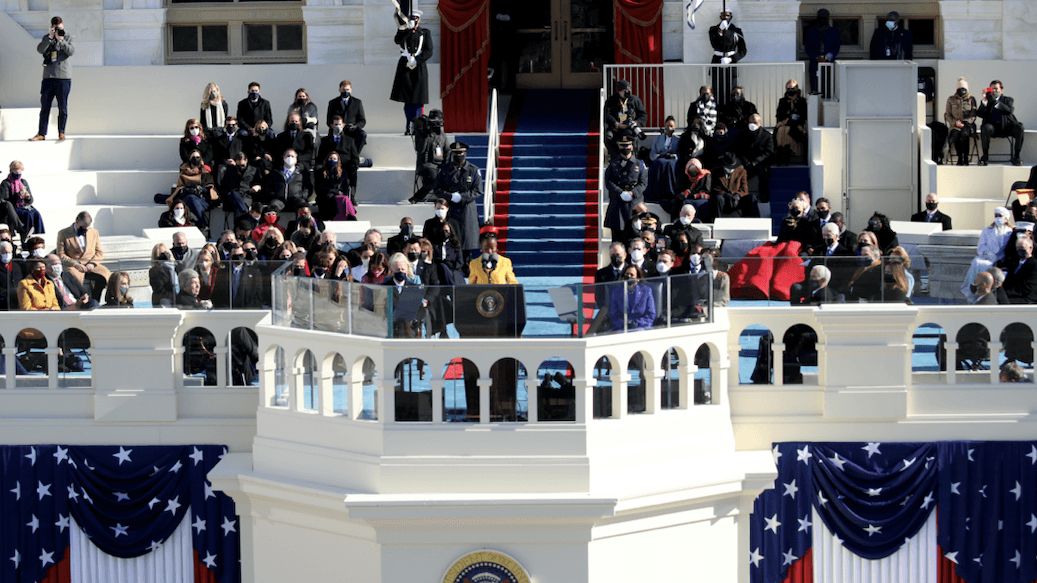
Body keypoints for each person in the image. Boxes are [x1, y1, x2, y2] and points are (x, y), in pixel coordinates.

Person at [434, 142, 483, 257]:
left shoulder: (473, 170)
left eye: (460, 153)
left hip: (467, 210)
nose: (458, 155)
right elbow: (437, 189)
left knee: (467, 243)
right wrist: (450, 196)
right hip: (450, 209)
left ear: (465, 153)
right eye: (455, 153)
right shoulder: (445, 170)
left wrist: (462, 197)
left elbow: (477, 191)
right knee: (451, 240)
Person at [391, 8, 434, 135]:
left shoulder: (424, 33)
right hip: (405, 67)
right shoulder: (404, 31)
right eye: (411, 19)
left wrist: (417, 60)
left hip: (418, 68)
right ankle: (409, 126)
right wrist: (404, 29)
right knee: (407, 99)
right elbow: (397, 40)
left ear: (419, 20)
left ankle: (417, 126)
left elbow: (429, 51)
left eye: (415, 19)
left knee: (418, 99)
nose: (412, 21)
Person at [31, 16, 74, 142]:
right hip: (48, 77)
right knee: (45, 107)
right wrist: (50, 37)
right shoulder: (47, 38)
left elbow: (71, 51)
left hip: (63, 77)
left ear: (63, 25)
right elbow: (40, 49)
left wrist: (61, 40)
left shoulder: (68, 37)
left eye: (60, 27)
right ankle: (41, 133)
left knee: (63, 107)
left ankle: (61, 132)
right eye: (56, 28)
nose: (58, 30)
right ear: (52, 27)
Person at [55, 211, 110, 301]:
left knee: (104, 275)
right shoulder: (63, 233)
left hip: (91, 265)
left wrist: (92, 264)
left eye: (87, 227)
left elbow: (99, 252)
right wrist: (75, 264)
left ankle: (95, 300)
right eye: (83, 227)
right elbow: (61, 254)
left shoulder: (94, 232)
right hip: (74, 266)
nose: (85, 230)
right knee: (72, 279)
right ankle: (81, 301)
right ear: (77, 222)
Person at [604, 137, 648, 243]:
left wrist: (632, 193)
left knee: (634, 237)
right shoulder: (613, 164)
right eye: (622, 145)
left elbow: (643, 183)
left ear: (632, 147)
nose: (625, 148)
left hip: (634, 203)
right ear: (619, 147)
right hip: (617, 203)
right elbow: (608, 181)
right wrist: (620, 192)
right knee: (617, 238)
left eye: (627, 145)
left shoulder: (639, 164)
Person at [976, 80, 1024, 166]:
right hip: (992, 128)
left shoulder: (1008, 100)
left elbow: (1009, 111)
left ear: (1001, 90)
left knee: (1019, 127)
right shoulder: (987, 101)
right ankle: (985, 156)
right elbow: (980, 114)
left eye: (996, 89)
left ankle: (1016, 156)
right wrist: (985, 101)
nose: (994, 91)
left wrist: (995, 103)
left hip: (1006, 127)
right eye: (992, 89)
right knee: (985, 127)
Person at [170, 149, 218, 232]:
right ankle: (202, 224)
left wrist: (200, 189)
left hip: (202, 198)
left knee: (193, 199)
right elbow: (179, 186)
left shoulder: (205, 171)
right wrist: (188, 189)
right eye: (193, 157)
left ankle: (200, 224)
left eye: (197, 157)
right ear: (189, 159)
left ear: (201, 158)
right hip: (187, 197)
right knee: (191, 198)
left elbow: (210, 186)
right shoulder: (184, 171)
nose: (195, 159)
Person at [708, 11, 747, 106]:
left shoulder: (736, 31)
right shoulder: (713, 30)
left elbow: (743, 51)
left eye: (728, 15)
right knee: (717, 89)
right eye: (723, 15)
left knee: (732, 89)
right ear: (720, 17)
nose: (725, 17)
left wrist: (731, 59)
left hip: (730, 62)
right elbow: (714, 44)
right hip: (717, 60)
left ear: (731, 17)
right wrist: (720, 30)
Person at [0, 160, 44, 242]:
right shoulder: (6, 183)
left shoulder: (23, 182)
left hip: (23, 206)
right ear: (11, 170)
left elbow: (31, 200)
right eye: (15, 170)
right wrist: (18, 195)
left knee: (35, 212)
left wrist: (27, 197)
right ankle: (23, 232)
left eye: (20, 170)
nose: (18, 172)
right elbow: (5, 200)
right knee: (26, 214)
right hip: (13, 207)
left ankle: (35, 236)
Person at [411, 109, 448, 203]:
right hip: (426, 163)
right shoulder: (421, 131)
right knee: (434, 180)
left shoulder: (442, 134)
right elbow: (420, 149)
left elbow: (447, 150)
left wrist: (447, 164)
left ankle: (445, 198)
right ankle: (416, 197)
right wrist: (424, 135)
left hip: (440, 164)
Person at [737, 113, 775, 203]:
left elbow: (769, 152)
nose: (752, 124)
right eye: (750, 122)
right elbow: (738, 149)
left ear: (760, 124)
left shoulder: (767, 136)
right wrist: (744, 161)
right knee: (738, 172)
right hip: (745, 162)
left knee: (763, 172)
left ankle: (764, 197)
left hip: (760, 163)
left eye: (755, 122)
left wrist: (756, 161)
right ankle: (739, 196)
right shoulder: (742, 134)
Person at [211, 244, 263, 309]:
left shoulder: (255, 274)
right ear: (230, 257)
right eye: (235, 256)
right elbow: (217, 295)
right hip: (226, 311)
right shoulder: (222, 273)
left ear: (244, 255)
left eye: (241, 255)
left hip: (247, 311)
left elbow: (258, 297)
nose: (238, 257)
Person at [603, 80, 648, 155]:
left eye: (629, 89)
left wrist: (636, 122)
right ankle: (615, 157)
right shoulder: (611, 100)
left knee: (629, 135)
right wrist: (616, 124)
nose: (628, 92)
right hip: (616, 127)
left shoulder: (635, 100)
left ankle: (632, 157)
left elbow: (643, 115)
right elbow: (607, 114)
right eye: (625, 90)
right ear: (619, 91)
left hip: (629, 127)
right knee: (608, 136)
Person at [609, 265, 656, 332]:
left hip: (642, 327)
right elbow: (614, 315)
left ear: (637, 278)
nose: (629, 276)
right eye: (627, 274)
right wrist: (624, 324)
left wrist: (637, 323)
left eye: (632, 275)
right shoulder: (616, 292)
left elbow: (651, 314)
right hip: (622, 328)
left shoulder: (646, 291)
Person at [803, 9, 840, 94]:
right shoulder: (810, 31)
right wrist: (816, 57)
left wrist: (827, 57)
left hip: (829, 64)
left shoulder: (834, 32)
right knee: (814, 89)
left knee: (828, 89)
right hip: (814, 64)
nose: (823, 20)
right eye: (821, 18)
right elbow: (807, 47)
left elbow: (836, 47)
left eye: (825, 18)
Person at [326, 80, 368, 154]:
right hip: (338, 129)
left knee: (362, 134)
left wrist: (355, 126)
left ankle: (355, 155)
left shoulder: (357, 102)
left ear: (351, 90)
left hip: (352, 130)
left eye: (347, 89)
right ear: (340, 90)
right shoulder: (333, 103)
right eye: (343, 90)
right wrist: (338, 126)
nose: (345, 91)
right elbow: (329, 120)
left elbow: (362, 120)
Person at [944, 77, 978, 166]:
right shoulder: (951, 99)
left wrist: (967, 122)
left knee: (964, 134)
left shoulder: (971, 99)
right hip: (955, 125)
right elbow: (948, 114)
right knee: (956, 134)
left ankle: (965, 158)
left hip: (968, 125)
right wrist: (955, 122)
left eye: (963, 88)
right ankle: (959, 157)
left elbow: (973, 114)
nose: (961, 90)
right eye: (959, 88)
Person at [646, 116, 680, 203]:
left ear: (675, 127)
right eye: (668, 125)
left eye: (671, 126)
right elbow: (653, 152)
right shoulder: (658, 138)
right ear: (665, 126)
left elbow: (679, 153)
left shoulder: (678, 139)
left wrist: (673, 156)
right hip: (660, 158)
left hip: (672, 160)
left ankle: (670, 191)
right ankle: (657, 192)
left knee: (670, 165)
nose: (669, 128)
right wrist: (659, 156)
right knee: (659, 163)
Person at [774, 80, 807, 165]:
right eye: (788, 88)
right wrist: (786, 121)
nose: (790, 90)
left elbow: (803, 116)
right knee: (782, 130)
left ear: (797, 88)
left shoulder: (802, 101)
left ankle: (785, 153)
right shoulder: (782, 101)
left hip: (796, 126)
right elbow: (779, 116)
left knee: (785, 130)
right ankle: (782, 152)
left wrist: (790, 121)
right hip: (784, 124)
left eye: (793, 88)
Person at [314, 150, 354, 221]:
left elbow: (346, 188)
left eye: (334, 159)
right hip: (325, 198)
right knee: (344, 199)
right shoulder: (321, 172)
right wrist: (331, 191)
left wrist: (338, 192)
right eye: (330, 158)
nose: (332, 160)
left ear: (338, 161)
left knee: (344, 199)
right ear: (327, 159)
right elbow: (318, 187)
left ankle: (349, 217)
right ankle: (352, 217)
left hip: (338, 196)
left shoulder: (343, 173)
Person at [711, 151, 749, 218]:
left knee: (751, 198)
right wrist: (726, 194)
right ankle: (718, 220)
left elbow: (745, 189)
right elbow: (715, 188)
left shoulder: (742, 171)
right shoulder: (716, 171)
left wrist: (737, 195)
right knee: (718, 198)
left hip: (737, 198)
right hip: (723, 198)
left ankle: (752, 220)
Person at [1002, 237, 1037, 304]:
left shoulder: (1034, 266)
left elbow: (1027, 288)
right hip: (1012, 295)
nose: (1020, 251)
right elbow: (1008, 282)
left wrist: (1005, 294)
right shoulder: (1014, 264)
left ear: (1030, 248)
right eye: (1018, 248)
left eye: (1022, 248)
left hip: (1026, 298)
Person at [149, 243, 178, 307]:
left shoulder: (175, 268)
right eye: (160, 254)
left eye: (165, 253)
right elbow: (159, 289)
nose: (164, 256)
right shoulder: (154, 271)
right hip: (162, 302)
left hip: (176, 300)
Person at [0, 240, 25, 310]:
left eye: (9, 252)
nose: (7, 255)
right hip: (2, 303)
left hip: (17, 303)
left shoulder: (16, 266)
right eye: (4, 252)